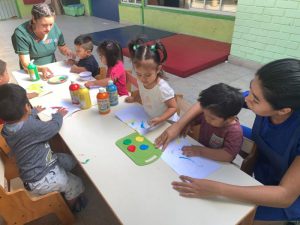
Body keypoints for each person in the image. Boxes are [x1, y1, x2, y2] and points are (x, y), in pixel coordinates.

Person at [155, 58, 300, 224]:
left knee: (225, 215)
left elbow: (285, 196)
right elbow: (208, 102)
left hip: (286, 198)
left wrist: (218, 189)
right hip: (264, 164)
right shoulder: (260, 99)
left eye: (256, 99)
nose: (247, 99)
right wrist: (178, 126)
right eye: (251, 89)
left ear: (283, 110)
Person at [0, 84, 85, 212]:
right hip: (41, 178)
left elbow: (21, 122)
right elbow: (53, 128)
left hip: (35, 170)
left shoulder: (7, 128)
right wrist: (59, 115)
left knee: (69, 160)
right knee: (75, 183)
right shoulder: (32, 127)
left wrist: (33, 112)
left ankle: (61, 183)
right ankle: (73, 206)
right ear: (26, 107)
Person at [174, 83, 244, 162]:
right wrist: (189, 124)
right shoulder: (209, 114)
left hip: (217, 164)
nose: (206, 119)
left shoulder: (234, 132)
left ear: (230, 119)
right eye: (204, 114)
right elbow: (194, 120)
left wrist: (200, 151)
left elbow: (228, 156)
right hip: (201, 158)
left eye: (212, 118)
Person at [11, 3, 75, 80]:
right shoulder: (21, 33)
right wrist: (41, 69)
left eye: (51, 24)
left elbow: (62, 47)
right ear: (34, 19)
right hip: (33, 73)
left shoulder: (54, 28)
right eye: (44, 25)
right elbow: (25, 64)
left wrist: (68, 52)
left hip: (52, 69)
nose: (48, 29)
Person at [125, 38, 178, 127]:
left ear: (158, 69)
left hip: (167, 123)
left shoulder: (162, 88)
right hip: (151, 119)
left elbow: (173, 107)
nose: (143, 79)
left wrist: (161, 118)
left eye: (148, 75)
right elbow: (143, 92)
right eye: (138, 74)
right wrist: (134, 98)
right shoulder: (141, 81)